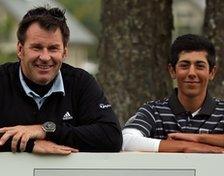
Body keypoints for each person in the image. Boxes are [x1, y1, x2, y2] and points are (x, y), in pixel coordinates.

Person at [0, 6, 122, 155]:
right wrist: (30, 144)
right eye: (37, 48)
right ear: (20, 49)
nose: (45, 57)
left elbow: (111, 137)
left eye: (53, 48)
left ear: (65, 52)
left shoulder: (81, 82)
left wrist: (45, 130)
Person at [122, 34, 224, 153]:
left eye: (199, 66)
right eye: (184, 65)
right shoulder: (153, 111)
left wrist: (197, 138)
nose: (192, 73)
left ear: (211, 72)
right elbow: (126, 140)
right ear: (172, 71)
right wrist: (186, 147)